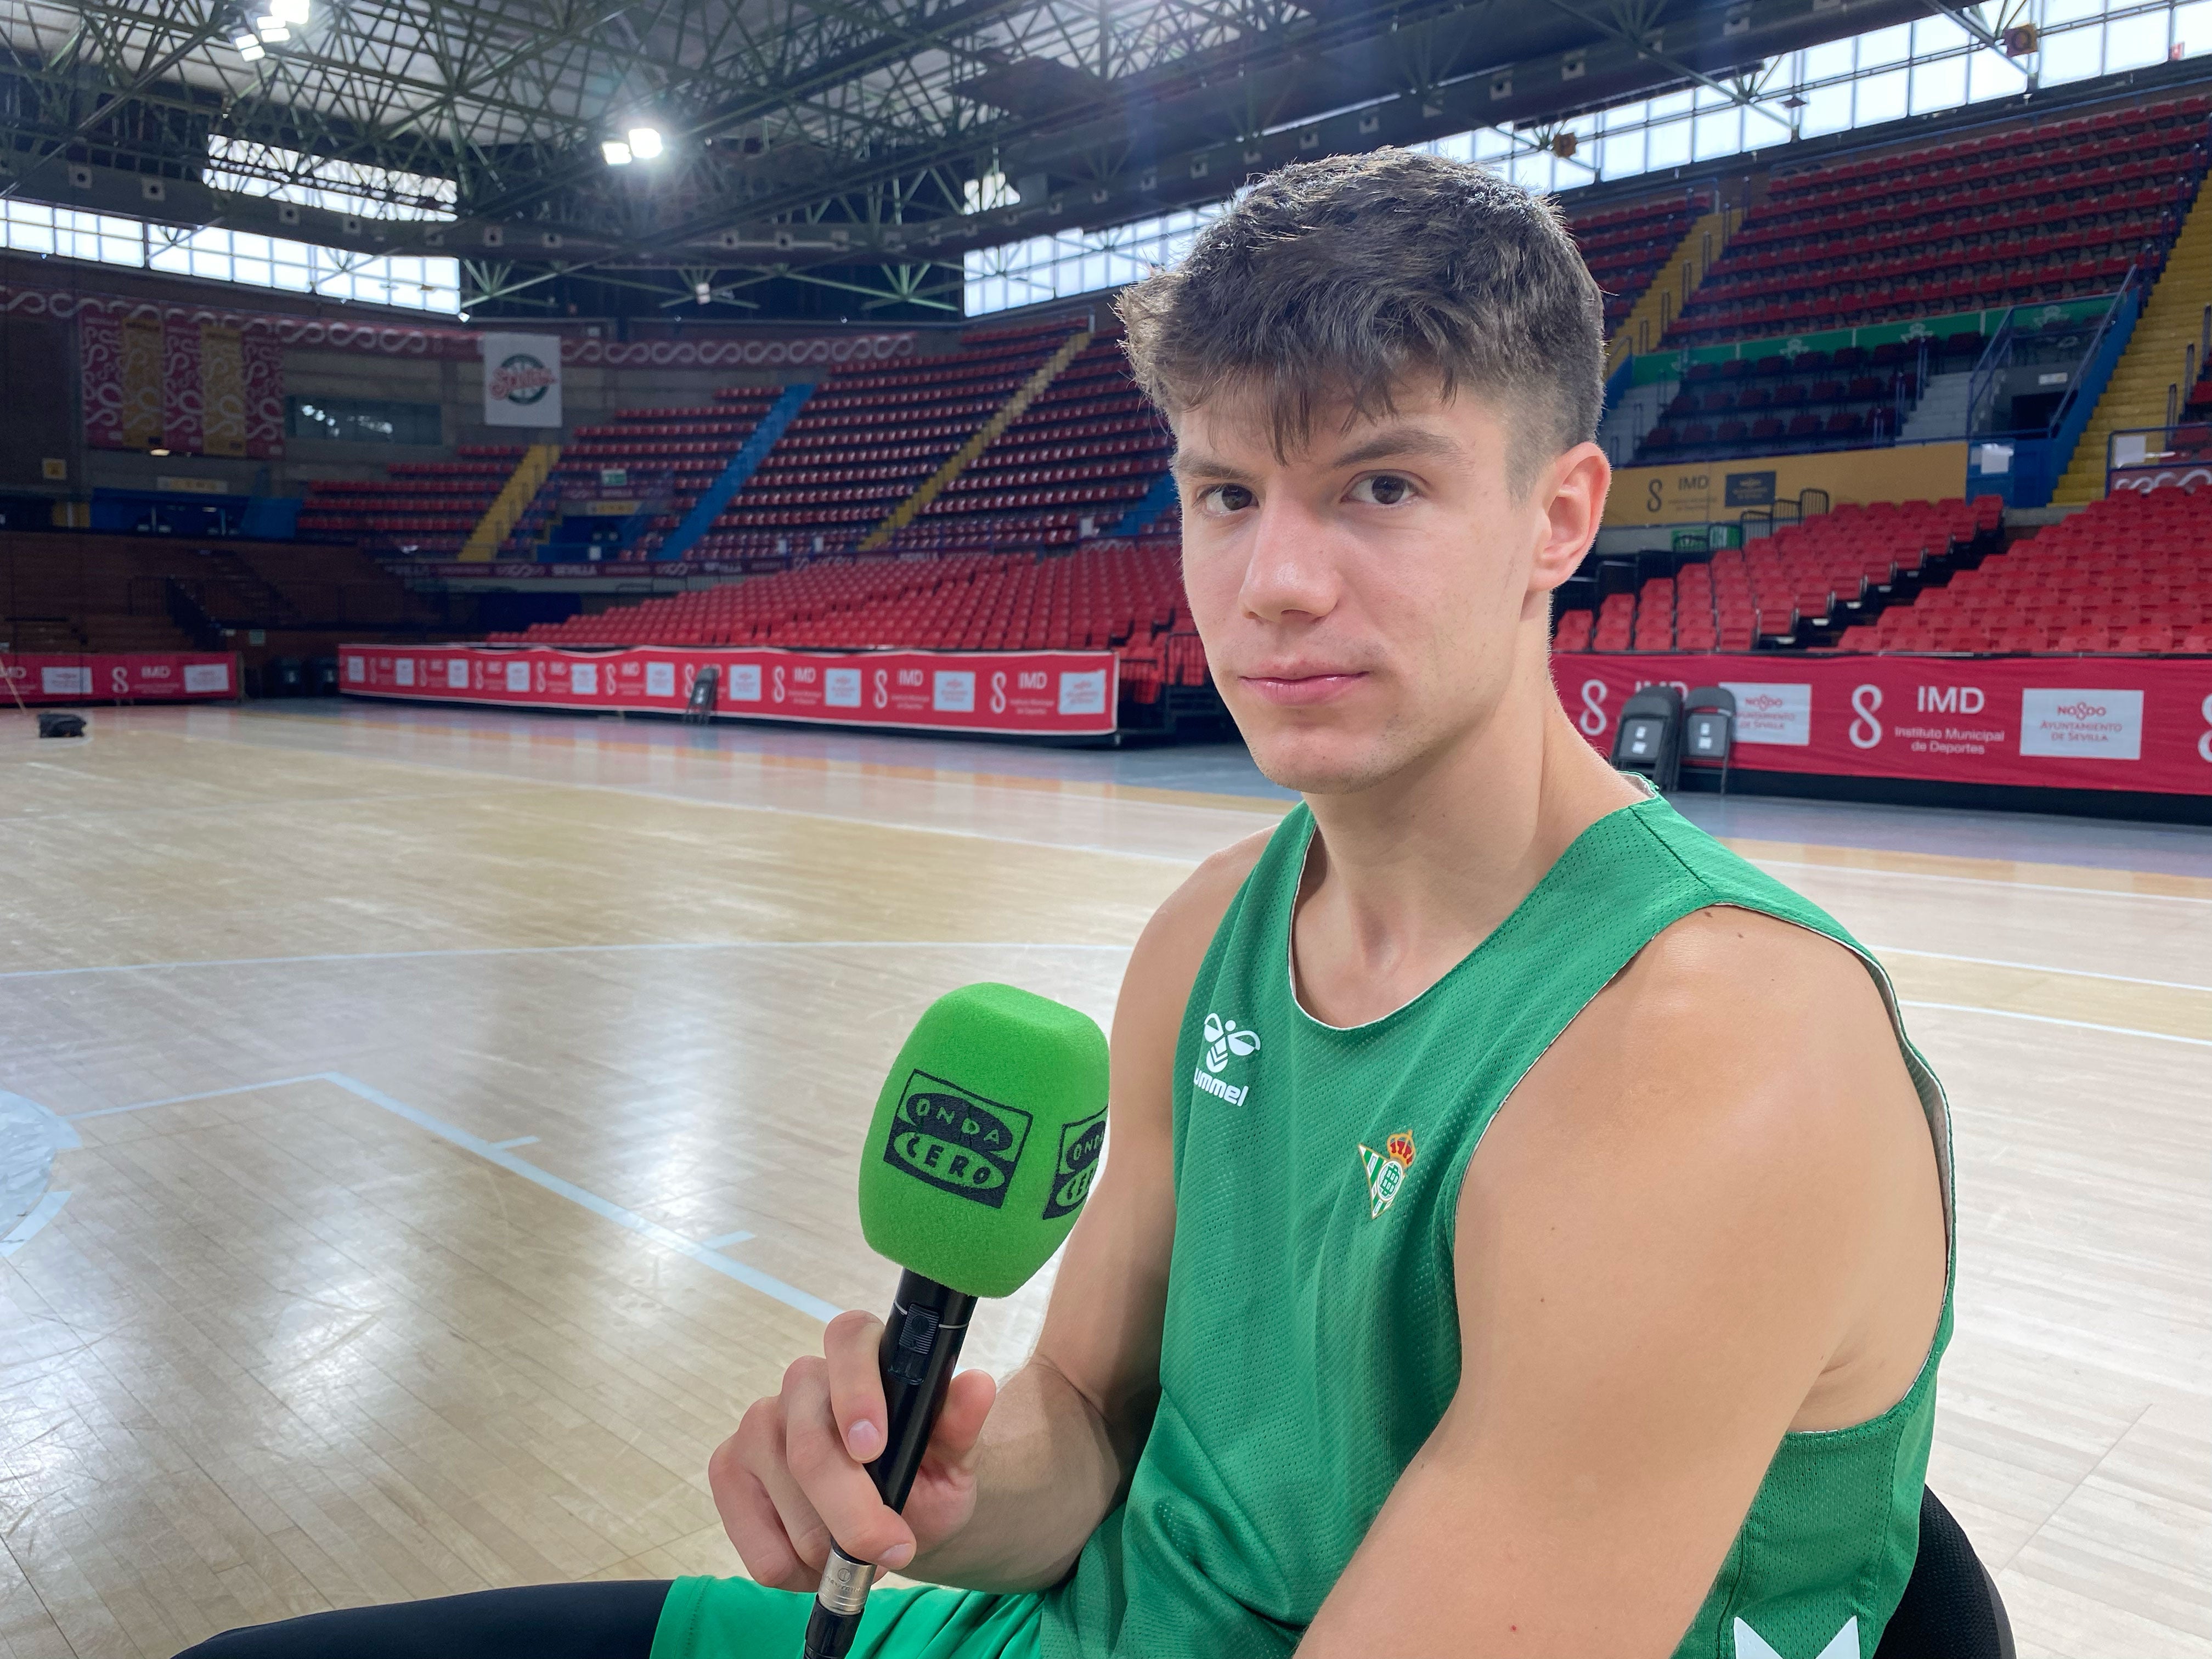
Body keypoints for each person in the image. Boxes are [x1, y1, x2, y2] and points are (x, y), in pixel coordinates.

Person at [180, 150, 1951, 1659]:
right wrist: (937, 1484)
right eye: (1226, 495)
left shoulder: (1713, 1050)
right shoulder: (1208, 935)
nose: (1274, 582)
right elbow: (1098, 1426)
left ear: (1561, 515)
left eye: (1382, 488)